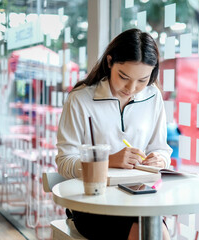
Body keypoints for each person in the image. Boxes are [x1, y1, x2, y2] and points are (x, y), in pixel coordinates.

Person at [56, 28, 172, 239]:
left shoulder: (153, 97)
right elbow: (65, 162)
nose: (132, 87)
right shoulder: (81, 99)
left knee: (159, 232)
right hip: (92, 201)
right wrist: (106, 161)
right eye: (124, 77)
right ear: (109, 62)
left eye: (142, 80)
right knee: (142, 232)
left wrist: (159, 159)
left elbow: (161, 148)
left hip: (140, 195)